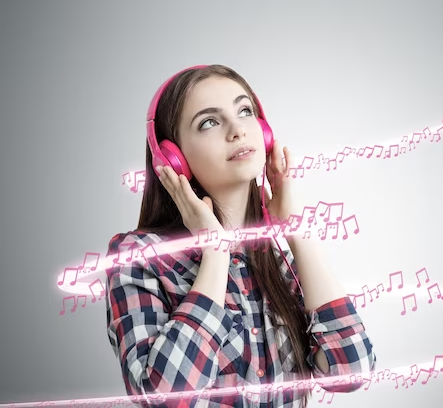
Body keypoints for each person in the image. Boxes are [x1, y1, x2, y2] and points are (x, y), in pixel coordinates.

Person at [104, 64, 377, 408]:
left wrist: (296, 231)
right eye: (209, 122)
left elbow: (353, 371)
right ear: (173, 160)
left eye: (244, 111)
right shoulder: (139, 256)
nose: (237, 130)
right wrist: (215, 253)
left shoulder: (276, 258)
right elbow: (163, 396)